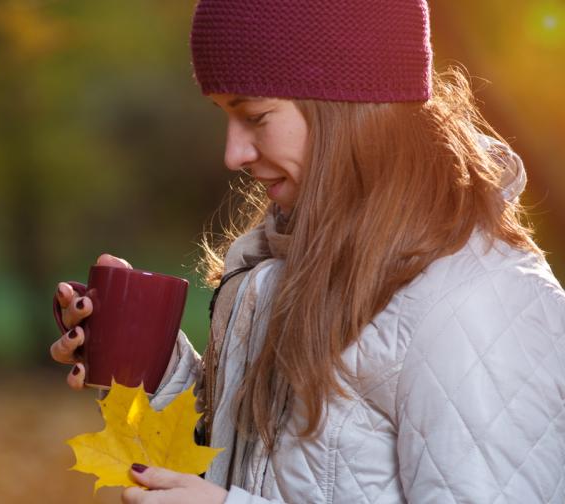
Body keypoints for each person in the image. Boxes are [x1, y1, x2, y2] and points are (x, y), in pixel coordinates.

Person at [51, 0, 565, 502]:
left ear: (346, 105)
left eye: (254, 116)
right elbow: (258, 467)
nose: (233, 154)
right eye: (224, 115)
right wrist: (152, 373)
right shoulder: (286, 262)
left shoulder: (477, 300)